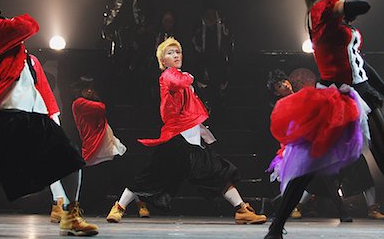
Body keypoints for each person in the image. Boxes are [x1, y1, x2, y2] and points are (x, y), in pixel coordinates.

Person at [264, 0, 384, 239]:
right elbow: (362, 5)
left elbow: (360, 63)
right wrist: (339, 4)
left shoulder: (336, 18)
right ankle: (275, 229)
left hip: (362, 92)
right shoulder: (320, 11)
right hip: (335, 97)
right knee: (307, 166)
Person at [0, 0, 98, 236]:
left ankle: (69, 214)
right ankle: (68, 212)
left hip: (26, 114)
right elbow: (28, 25)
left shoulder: (0, 33)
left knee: (69, 159)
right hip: (5, 114)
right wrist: (11, 20)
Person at [106, 37, 266, 225]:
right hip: (176, 138)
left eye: (178, 52)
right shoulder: (169, 75)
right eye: (170, 53)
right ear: (162, 61)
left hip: (191, 137)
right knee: (150, 175)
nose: (175, 55)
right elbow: (178, 82)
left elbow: (190, 107)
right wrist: (189, 77)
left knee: (217, 172)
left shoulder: (180, 77)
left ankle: (241, 209)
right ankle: (119, 207)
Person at [267, 69, 384, 220]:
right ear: (277, 92)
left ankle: (372, 208)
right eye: (279, 86)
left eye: (283, 82)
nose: (284, 85)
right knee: (315, 177)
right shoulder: (283, 105)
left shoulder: (305, 94)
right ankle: (297, 206)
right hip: (309, 144)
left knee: (359, 166)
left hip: (327, 139)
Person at [70, 76, 151, 218]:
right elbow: (101, 108)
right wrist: (96, 98)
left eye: (91, 88)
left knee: (125, 175)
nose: (89, 91)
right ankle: (73, 207)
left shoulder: (88, 101)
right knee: (94, 180)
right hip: (95, 146)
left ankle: (140, 203)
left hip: (107, 143)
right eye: (86, 88)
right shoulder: (79, 103)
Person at [191, 0, 234, 125]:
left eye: (213, 13)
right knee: (204, 96)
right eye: (208, 13)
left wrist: (229, 64)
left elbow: (229, 45)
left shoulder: (223, 26)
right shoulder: (198, 26)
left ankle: (220, 121)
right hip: (203, 65)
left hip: (220, 65)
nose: (210, 16)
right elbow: (195, 47)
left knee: (220, 96)